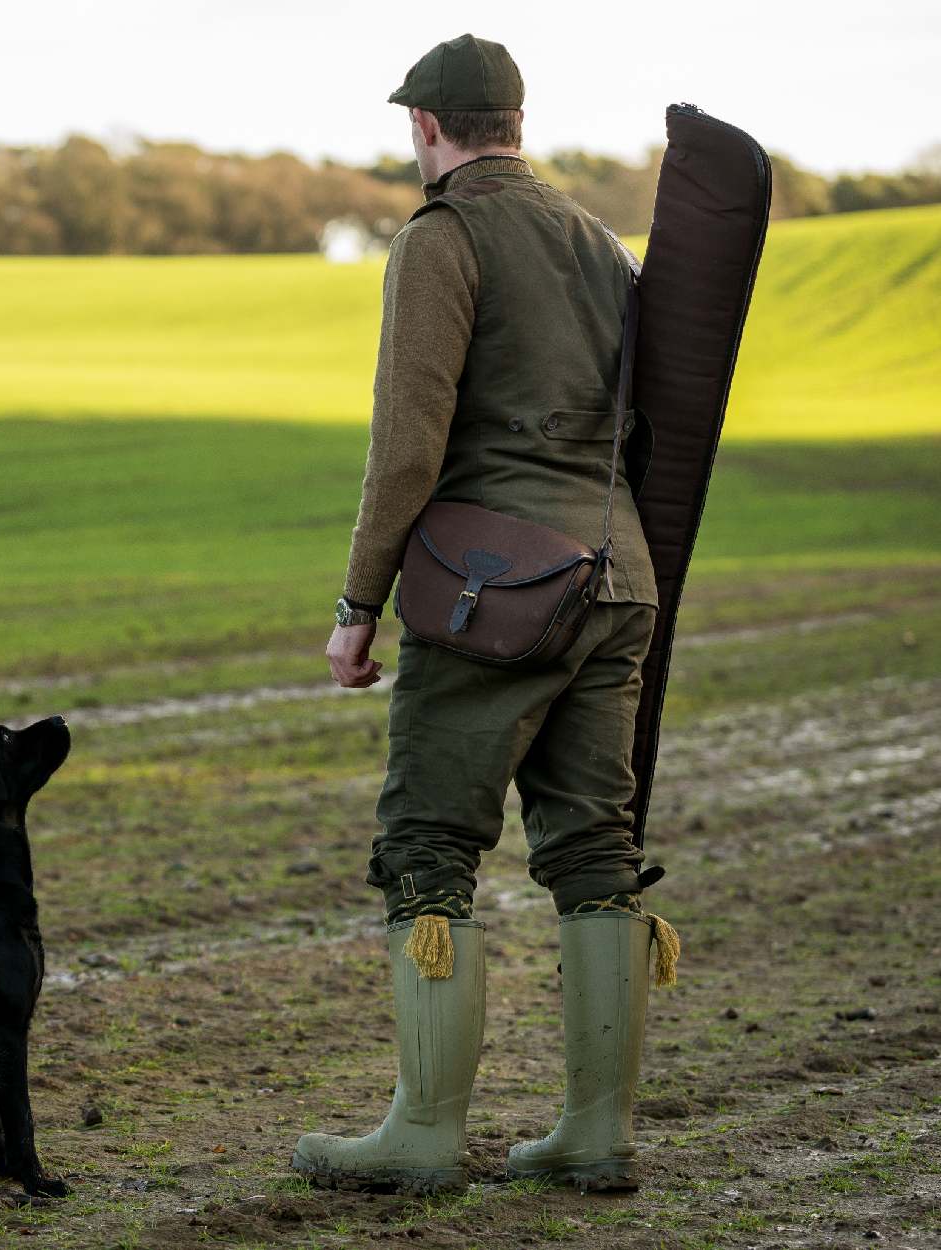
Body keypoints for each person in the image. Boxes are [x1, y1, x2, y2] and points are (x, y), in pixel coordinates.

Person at [292, 33, 677, 1196]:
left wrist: (359, 602)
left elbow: (407, 444)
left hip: (498, 588)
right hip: (620, 576)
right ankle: (593, 1131)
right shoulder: (596, 239)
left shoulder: (442, 237)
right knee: (595, 850)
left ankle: (422, 1131)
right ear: (514, 117)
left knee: (426, 844)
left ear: (425, 126)